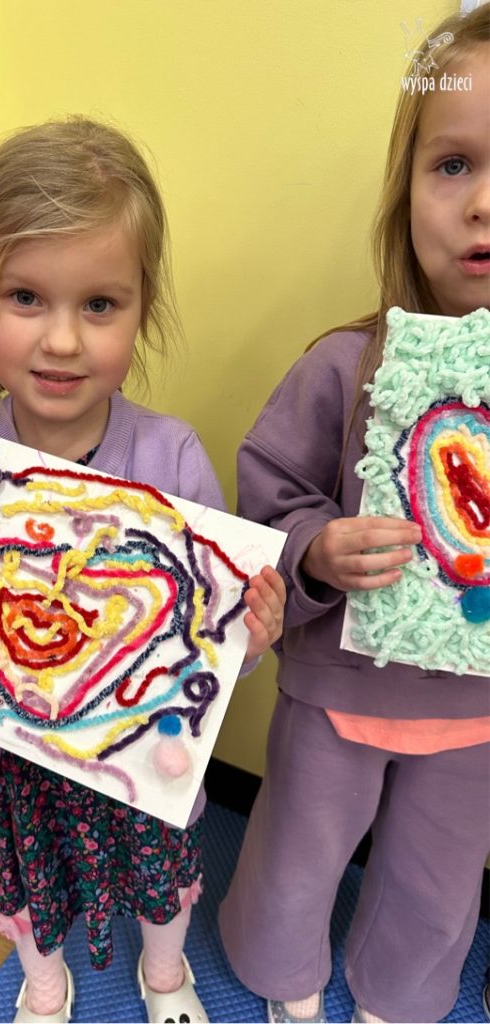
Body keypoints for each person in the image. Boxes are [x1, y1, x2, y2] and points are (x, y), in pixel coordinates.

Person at [0, 116, 286, 1024]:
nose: (62, 341)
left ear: (142, 309)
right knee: (31, 890)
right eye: (26, 297)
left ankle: (166, 975)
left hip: (146, 757)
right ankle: (45, 985)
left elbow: (210, 652)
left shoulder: (171, 456)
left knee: (161, 880)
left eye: (99, 305)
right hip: (20, 768)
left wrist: (253, 637)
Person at [218, 8, 490, 1024]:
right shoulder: (343, 365)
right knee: (295, 852)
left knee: (438, 883)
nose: (483, 203)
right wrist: (315, 549)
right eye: (453, 165)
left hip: (477, 716)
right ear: (403, 190)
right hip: (336, 692)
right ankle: (279, 974)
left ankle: (399, 997)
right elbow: (269, 491)